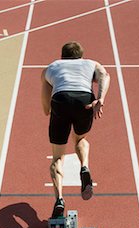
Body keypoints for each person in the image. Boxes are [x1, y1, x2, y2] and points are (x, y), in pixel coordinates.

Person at [41, 41, 110, 218]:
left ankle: (59, 200)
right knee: (79, 139)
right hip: (84, 100)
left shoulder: (51, 67)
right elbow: (104, 75)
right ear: (81, 55)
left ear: (62, 56)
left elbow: (45, 105)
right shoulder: (91, 63)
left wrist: (51, 111)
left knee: (57, 157)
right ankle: (84, 167)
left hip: (61, 99)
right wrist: (100, 98)